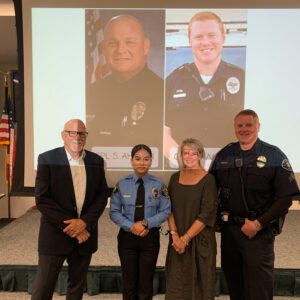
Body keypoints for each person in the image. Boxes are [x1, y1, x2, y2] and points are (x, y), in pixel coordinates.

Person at [210, 109, 300, 300]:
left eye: (248, 125)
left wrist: (258, 223)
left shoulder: (274, 156)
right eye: (239, 125)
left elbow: (285, 199)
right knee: (235, 287)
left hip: (258, 231)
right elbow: (210, 190)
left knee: (259, 289)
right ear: (234, 128)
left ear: (258, 127)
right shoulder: (224, 155)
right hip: (230, 232)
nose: (244, 129)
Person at [31, 119, 109, 300]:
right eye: (72, 132)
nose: (77, 137)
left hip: (85, 236)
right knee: (43, 288)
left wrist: (84, 223)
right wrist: (75, 228)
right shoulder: (47, 159)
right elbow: (42, 199)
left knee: (76, 288)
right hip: (55, 235)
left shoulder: (96, 161)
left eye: (81, 133)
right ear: (63, 135)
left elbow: (101, 196)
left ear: (86, 137)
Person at [165, 11, 245, 160]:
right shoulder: (172, 80)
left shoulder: (243, 78)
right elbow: (163, 132)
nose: (205, 42)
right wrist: (181, 160)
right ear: (189, 40)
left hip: (232, 170)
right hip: (186, 172)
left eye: (211, 35)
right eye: (198, 36)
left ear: (223, 37)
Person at [86, 14, 164, 160]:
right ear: (103, 48)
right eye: (112, 43)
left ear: (145, 46)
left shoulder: (163, 92)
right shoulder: (90, 93)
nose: (120, 50)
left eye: (130, 42)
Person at [109, 144, 171, 300]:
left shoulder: (159, 184)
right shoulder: (122, 184)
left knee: (145, 283)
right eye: (137, 159)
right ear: (131, 161)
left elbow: (166, 210)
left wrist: (145, 223)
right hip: (127, 237)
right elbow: (114, 212)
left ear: (151, 161)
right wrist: (132, 226)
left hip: (149, 237)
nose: (142, 162)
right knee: (129, 283)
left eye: (146, 159)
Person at [165, 138, 218, 300]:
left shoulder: (209, 180)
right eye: (185, 153)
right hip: (177, 242)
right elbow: (169, 208)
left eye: (193, 153)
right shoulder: (174, 178)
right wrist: (175, 235)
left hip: (199, 241)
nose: (189, 156)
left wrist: (185, 238)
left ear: (200, 155)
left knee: (200, 288)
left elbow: (207, 214)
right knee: (176, 286)